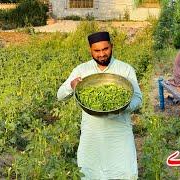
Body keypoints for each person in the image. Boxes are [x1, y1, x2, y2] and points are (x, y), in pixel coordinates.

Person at [57, 31, 142, 179]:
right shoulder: (81, 70)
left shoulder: (125, 69)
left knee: (124, 173)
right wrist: (71, 85)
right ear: (90, 50)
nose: (102, 54)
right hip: (92, 135)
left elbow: (138, 99)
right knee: (90, 173)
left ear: (112, 47)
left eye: (105, 49)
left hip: (119, 134)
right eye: (97, 50)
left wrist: (121, 107)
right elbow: (60, 96)